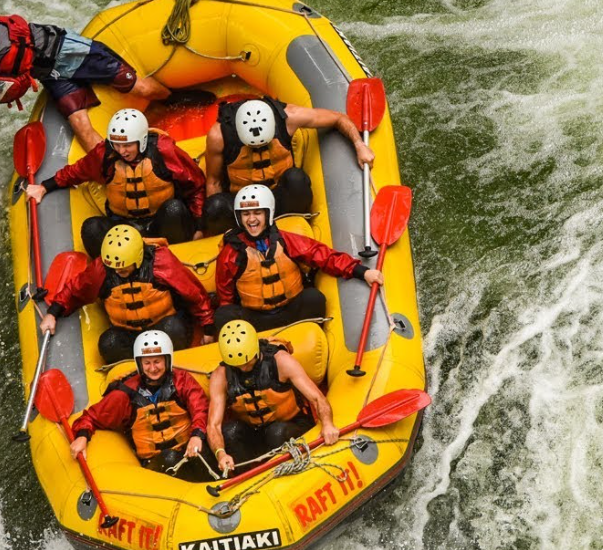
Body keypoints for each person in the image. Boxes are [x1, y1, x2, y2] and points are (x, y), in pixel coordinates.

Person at [0, 16, 170, 173]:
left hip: (64, 50)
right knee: (82, 129)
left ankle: (175, 99)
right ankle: (124, 175)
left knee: (142, 88)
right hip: (50, 75)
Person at [213, 184, 383, 333]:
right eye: (246, 214)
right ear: (239, 218)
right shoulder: (230, 254)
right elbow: (225, 296)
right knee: (223, 315)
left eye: (257, 213)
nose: (251, 219)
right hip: (256, 320)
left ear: (268, 214)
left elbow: (323, 256)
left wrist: (362, 272)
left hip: (291, 310)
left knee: (313, 298)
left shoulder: (285, 241)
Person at [26, 108, 205, 244]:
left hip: (163, 221)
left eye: (127, 145)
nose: (122, 151)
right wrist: (45, 186)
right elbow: (76, 171)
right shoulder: (105, 154)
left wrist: (198, 226)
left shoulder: (164, 150)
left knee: (175, 208)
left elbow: (195, 184)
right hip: (125, 226)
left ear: (141, 140)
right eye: (117, 145)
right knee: (91, 228)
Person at [42, 224, 215, 363]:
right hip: (129, 334)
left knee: (174, 328)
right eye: (115, 267)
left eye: (123, 266)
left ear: (138, 258)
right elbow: (76, 290)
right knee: (108, 344)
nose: (118, 271)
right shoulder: (102, 269)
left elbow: (193, 292)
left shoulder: (161, 261)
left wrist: (207, 327)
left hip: (164, 324)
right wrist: (53, 313)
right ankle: (139, 370)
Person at [202, 96, 376, 235]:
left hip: (279, 196)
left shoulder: (288, 116)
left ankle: (298, 227)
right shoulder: (219, 135)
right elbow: (214, 182)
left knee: (296, 179)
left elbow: (338, 118)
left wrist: (360, 145)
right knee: (215, 206)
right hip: (245, 206)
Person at [69, 331, 215, 481]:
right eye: (147, 363)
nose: (152, 368)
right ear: (140, 364)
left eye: (157, 361)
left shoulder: (181, 381)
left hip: (189, 449)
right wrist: (82, 436)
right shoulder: (125, 394)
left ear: (167, 360)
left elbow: (201, 408)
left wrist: (197, 435)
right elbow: (92, 417)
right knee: (170, 458)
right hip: (156, 463)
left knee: (204, 453)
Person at [207, 320, 339, 475]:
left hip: (290, 425)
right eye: (237, 365)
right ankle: (243, 476)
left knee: (275, 432)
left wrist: (328, 424)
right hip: (256, 433)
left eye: (247, 363)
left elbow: (317, 398)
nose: (243, 368)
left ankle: (288, 473)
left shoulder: (281, 361)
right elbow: (213, 425)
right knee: (231, 431)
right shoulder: (220, 376)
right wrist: (220, 453)